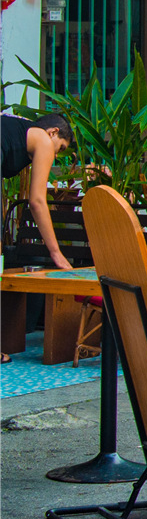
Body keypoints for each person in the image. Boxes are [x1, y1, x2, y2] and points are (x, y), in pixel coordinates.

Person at [3, 113, 76, 362]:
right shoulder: (43, 139)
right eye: (61, 148)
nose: (55, 155)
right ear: (53, 132)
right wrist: (56, 253)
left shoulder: (18, 126)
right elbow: (37, 201)